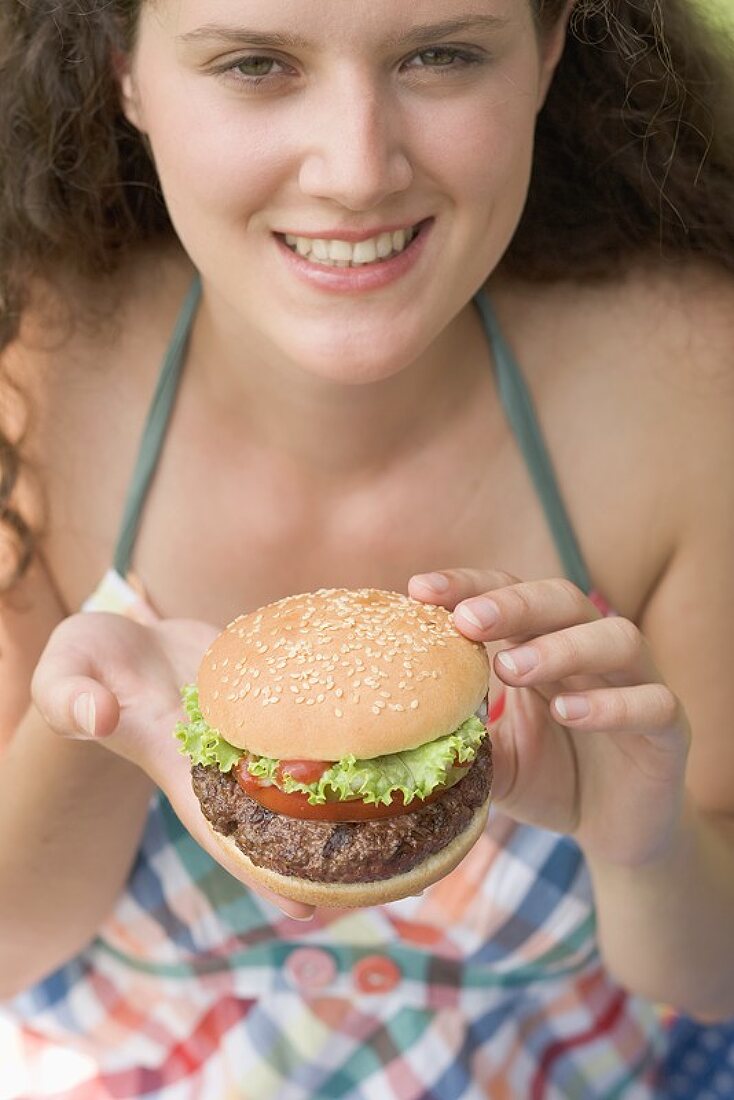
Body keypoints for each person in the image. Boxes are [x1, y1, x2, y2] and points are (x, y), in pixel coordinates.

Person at [0, 0, 733, 1096]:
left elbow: (710, 975)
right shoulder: (30, 374)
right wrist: (93, 725)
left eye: (439, 54)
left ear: (544, 52)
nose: (356, 168)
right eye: (255, 63)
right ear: (126, 72)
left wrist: (644, 839)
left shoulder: (692, 381)